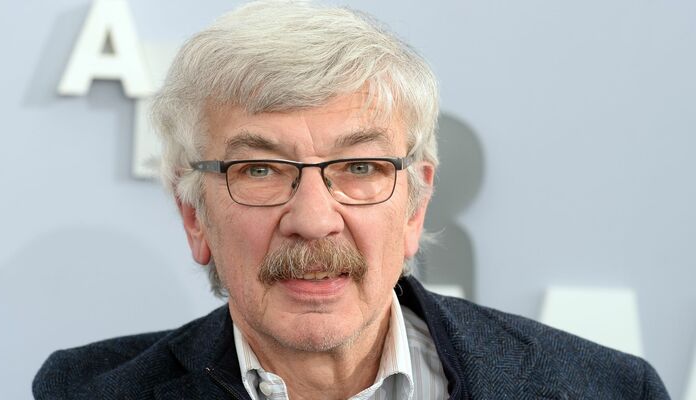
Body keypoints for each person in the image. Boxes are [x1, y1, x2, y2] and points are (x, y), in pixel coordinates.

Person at [33, 1, 670, 399]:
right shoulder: (85, 391)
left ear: (416, 208)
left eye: (359, 166)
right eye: (260, 170)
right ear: (194, 216)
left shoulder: (605, 389)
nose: (312, 221)